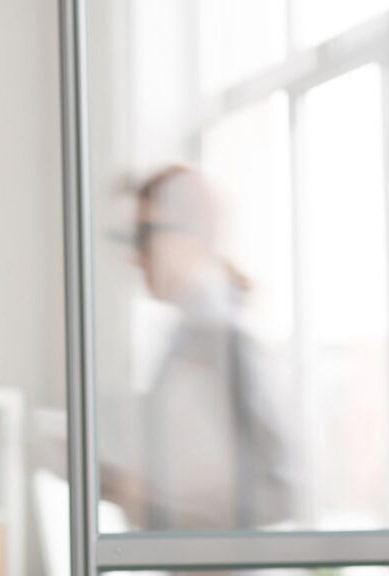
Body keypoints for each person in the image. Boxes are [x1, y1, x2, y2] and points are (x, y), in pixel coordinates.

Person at [102, 165, 297, 533]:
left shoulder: (232, 342)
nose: (136, 256)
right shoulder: (182, 340)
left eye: (146, 235)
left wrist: (162, 504)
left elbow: (285, 489)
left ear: (196, 237)